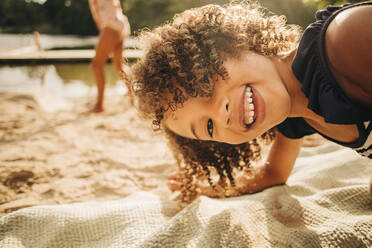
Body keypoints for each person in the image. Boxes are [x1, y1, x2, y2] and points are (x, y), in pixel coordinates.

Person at [130, 1, 372, 204]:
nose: (220, 113)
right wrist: (208, 188)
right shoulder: (294, 118)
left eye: (206, 85)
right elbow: (274, 174)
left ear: (235, 41)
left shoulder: (345, 40)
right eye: (210, 127)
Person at [89, 0, 131, 112]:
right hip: (119, 24)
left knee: (96, 66)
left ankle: (99, 105)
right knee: (118, 66)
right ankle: (132, 95)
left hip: (111, 25)